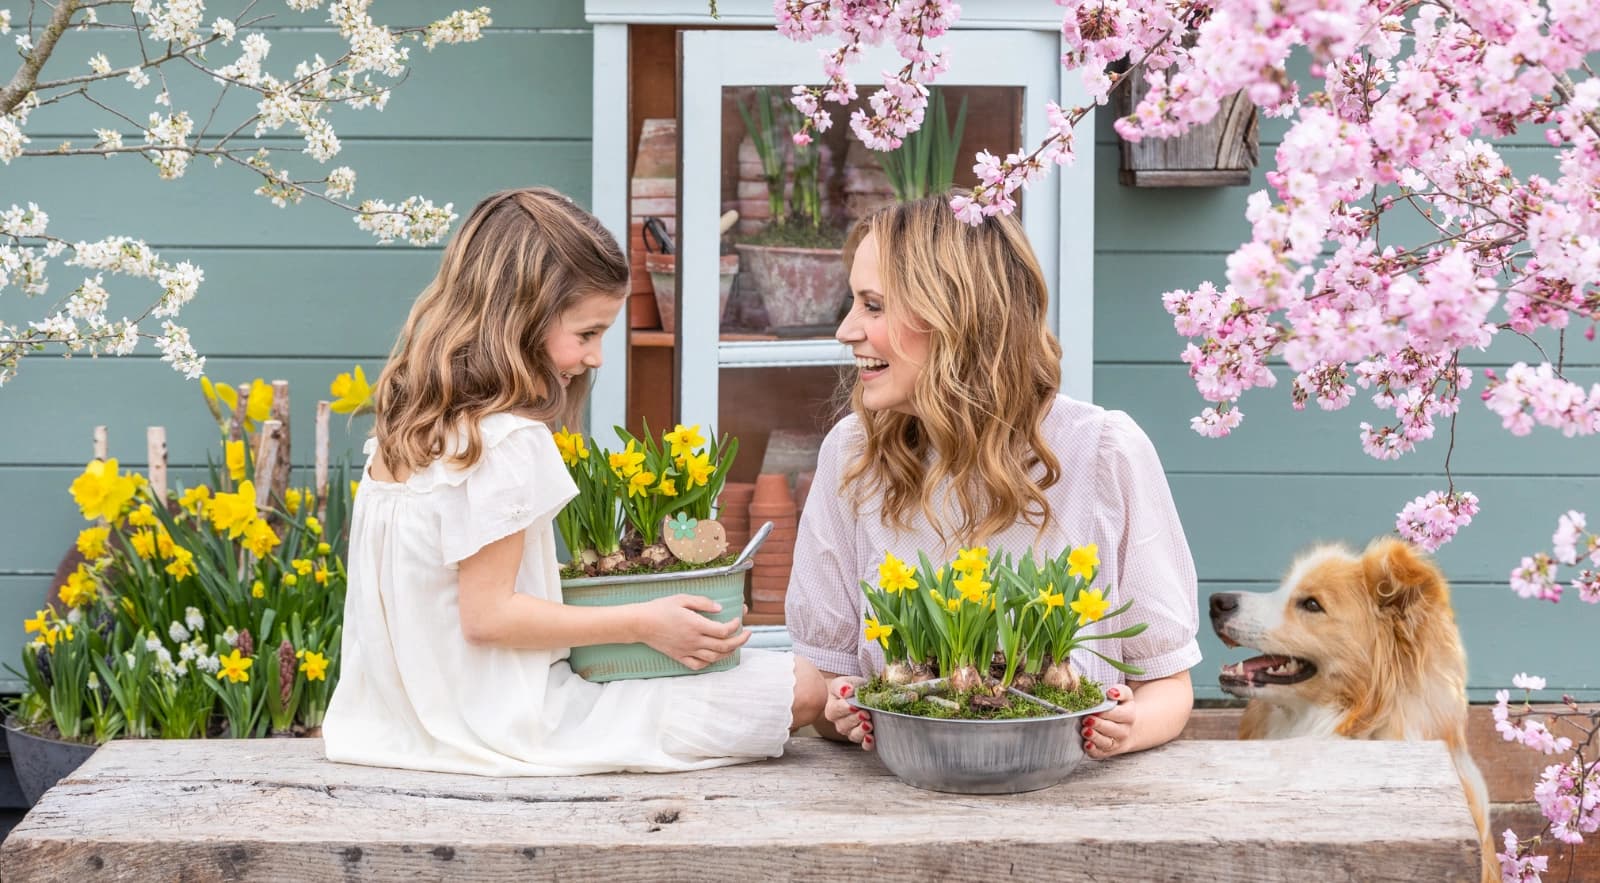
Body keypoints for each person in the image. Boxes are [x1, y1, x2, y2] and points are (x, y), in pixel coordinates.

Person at [323, 187, 826, 775]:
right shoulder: (507, 439)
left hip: (396, 727)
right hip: (519, 724)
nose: (597, 358)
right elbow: (488, 618)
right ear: (521, 319)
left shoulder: (404, 431)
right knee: (804, 686)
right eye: (586, 333)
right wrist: (644, 623)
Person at [786, 193, 1200, 759]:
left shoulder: (1102, 453)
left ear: (956, 314)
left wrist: (1127, 727)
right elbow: (831, 686)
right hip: (898, 804)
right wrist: (845, 713)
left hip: (1071, 800)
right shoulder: (854, 457)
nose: (846, 330)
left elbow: (1169, 687)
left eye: (873, 305)